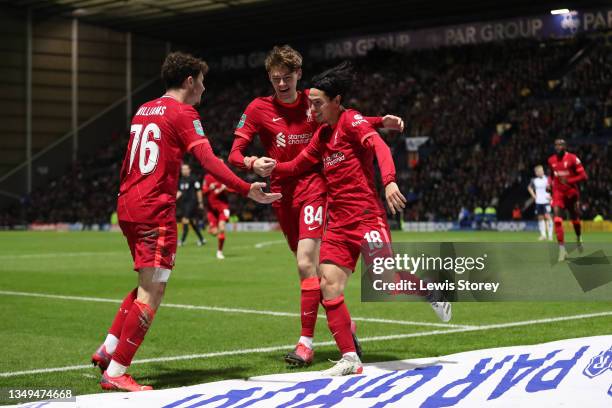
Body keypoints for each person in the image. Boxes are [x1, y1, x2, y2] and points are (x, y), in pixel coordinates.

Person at [90, 51, 281, 392]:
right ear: (190, 81)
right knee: (154, 289)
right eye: (203, 82)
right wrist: (245, 187)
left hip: (128, 203)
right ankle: (116, 371)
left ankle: (109, 348)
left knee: (147, 280)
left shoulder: (144, 108)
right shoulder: (183, 112)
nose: (205, 90)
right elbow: (207, 160)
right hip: (154, 210)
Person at [228, 45, 404, 367]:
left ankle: (305, 343)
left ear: (299, 75)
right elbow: (234, 154)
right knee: (315, 274)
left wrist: (378, 122)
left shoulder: (315, 100)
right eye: (275, 78)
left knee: (306, 262)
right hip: (282, 192)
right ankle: (345, 327)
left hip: (315, 187)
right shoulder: (257, 109)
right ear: (269, 77)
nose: (282, 84)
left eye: (287, 77)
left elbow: (348, 120)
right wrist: (252, 163)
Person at [272, 62, 451, 376]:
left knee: (386, 281)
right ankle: (351, 359)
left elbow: (379, 144)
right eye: (309, 103)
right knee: (328, 284)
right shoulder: (322, 136)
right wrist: (262, 169)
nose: (311, 109)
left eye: (317, 103)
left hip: (367, 218)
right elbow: (297, 165)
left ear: (336, 101)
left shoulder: (351, 121)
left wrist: (391, 180)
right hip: (339, 224)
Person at [547, 139, 588, 261]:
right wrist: (550, 183)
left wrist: (569, 181)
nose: (558, 147)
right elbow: (551, 175)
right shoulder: (551, 160)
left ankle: (579, 237)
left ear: (565, 146)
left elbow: (584, 176)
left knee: (574, 218)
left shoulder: (573, 158)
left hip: (571, 193)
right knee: (558, 220)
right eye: (556, 145)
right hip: (558, 193)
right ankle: (562, 250)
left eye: (561, 145)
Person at [202, 171, 231, 259]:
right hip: (211, 209)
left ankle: (219, 252)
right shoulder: (207, 177)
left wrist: (225, 188)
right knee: (214, 232)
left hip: (223, 208)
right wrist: (209, 188)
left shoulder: (226, 176)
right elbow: (203, 191)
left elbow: (234, 189)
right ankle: (214, 231)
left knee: (222, 228)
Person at [177, 163, 206, 246]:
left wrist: (200, 202)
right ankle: (202, 239)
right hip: (184, 204)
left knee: (185, 219)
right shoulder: (181, 180)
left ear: (189, 170)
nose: (184, 171)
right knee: (192, 222)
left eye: (185, 169)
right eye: (182, 169)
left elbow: (198, 190)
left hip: (192, 202)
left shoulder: (193, 179)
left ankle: (182, 240)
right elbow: (179, 192)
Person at [527, 164, 553, 241]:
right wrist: (534, 196)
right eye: (539, 171)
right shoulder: (534, 180)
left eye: (541, 170)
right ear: (536, 173)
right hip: (538, 202)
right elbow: (529, 188)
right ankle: (543, 235)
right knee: (540, 218)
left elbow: (553, 187)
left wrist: (551, 195)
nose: (541, 172)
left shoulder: (547, 179)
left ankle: (550, 235)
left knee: (548, 217)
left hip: (546, 201)